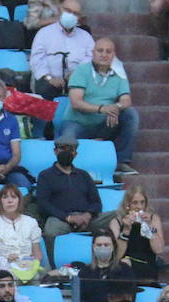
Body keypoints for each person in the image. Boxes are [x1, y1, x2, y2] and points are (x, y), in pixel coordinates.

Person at [60, 37, 138, 179]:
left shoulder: (119, 72)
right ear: (93, 53)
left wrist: (115, 107)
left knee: (130, 114)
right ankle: (67, 171)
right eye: (100, 51)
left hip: (104, 124)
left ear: (113, 55)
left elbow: (126, 100)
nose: (104, 55)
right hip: (77, 123)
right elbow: (76, 102)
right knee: (66, 143)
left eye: (108, 52)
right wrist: (102, 108)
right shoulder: (82, 70)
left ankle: (121, 162)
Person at [37, 136, 108, 259]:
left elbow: (96, 202)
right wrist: (68, 218)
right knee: (50, 231)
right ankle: (54, 269)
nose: (66, 152)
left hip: (88, 219)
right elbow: (43, 203)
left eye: (70, 149)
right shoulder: (45, 175)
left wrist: (87, 216)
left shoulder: (83, 175)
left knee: (118, 217)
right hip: (61, 219)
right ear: (55, 151)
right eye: (62, 148)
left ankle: (113, 264)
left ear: (75, 154)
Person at [30, 0, 95, 99]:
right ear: (60, 10)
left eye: (75, 13)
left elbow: (91, 58)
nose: (71, 15)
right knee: (46, 90)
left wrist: (78, 72)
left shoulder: (85, 37)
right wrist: (50, 78)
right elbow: (36, 60)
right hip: (48, 81)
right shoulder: (44, 33)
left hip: (77, 80)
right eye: (68, 11)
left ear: (79, 18)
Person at [107, 182, 166, 281]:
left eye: (142, 202)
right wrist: (126, 230)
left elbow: (159, 249)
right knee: (122, 265)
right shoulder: (116, 222)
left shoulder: (153, 219)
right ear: (127, 205)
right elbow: (116, 256)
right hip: (124, 263)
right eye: (135, 203)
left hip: (147, 264)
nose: (139, 207)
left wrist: (150, 227)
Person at [0, 183, 45, 273]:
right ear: (0, 202)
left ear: (19, 201)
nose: (9, 201)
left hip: (28, 269)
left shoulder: (31, 222)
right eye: (5, 197)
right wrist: (5, 260)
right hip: (2, 270)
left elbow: (37, 255)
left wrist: (31, 265)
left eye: (14, 197)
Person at [79, 228, 136, 302]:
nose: (103, 248)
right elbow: (78, 299)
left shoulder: (124, 269)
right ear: (93, 247)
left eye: (106, 245)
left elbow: (131, 295)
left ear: (113, 247)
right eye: (99, 245)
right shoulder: (85, 271)